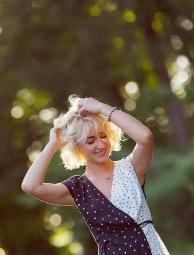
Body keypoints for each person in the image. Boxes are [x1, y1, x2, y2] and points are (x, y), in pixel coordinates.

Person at [21, 95, 170, 255]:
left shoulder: (131, 168)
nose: (101, 145)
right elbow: (30, 186)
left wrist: (100, 107)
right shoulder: (77, 190)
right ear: (78, 147)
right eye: (90, 141)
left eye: (103, 135)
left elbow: (145, 137)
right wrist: (52, 145)